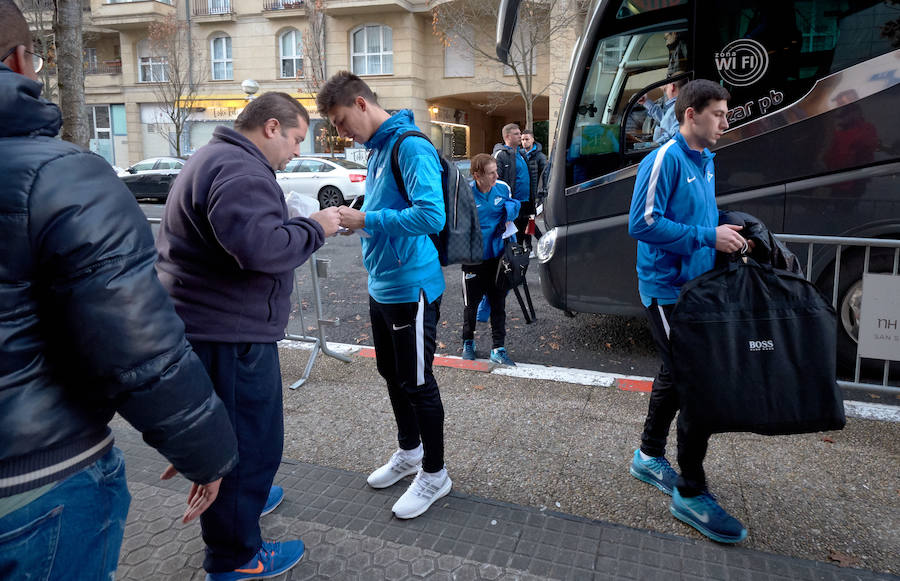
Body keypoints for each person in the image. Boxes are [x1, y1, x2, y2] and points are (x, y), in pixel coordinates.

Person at [0, 3, 239, 579]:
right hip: (37, 479)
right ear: (20, 61)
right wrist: (207, 454)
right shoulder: (60, 176)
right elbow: (137, 346)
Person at [156, 91, 341, 580]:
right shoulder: (241, 170)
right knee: (251, 443)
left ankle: (246, 498)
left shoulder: (213, 158)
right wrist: (315, 226)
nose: (298, 152)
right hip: (229, 335)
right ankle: (236, 556)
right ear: (272, 127)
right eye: (297, 139)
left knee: (234, 439)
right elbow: (261, 248)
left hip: (209, 326)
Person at [316, 71, 451, 519]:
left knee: (416, 380)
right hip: (383, 284)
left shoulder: (409, 145)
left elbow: (431, 215)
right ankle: (409, 453)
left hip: (411, 284)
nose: (340, 133)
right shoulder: (378, 150)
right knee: (391, 376)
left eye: (339, 122)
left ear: (360, 103)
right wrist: (360, 213)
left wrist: (367, 221)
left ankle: (435, 474)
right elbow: (389, 207)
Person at [627, 79, 750, 544]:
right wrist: (706, 237)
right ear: (690, 115)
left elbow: (697, 219)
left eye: (725, 113)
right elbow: (642, 223)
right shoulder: (664, 158)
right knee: (694, 379)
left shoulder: (706, 160)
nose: (725, 121)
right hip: (665, 291)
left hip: (694, 288)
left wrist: (725, 230)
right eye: (717, 113)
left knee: (675, 374)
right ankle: (690, 492)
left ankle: (647, 455)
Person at [461, 154, 521, 366]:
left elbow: (514, 204)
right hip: (474, 259)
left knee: (498, 304)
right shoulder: (465, 193)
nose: (497, 175)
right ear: (477, 175)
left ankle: (499, 348)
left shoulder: (502, 188)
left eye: (496, 171)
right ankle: (468, 342)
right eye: (491, 172)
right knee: (471, 305)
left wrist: (511, 210)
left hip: (498, 258)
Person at [480, 124, 530, 321]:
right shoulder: (501, 155)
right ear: (508, 136)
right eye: (517, 134)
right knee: (502, 266)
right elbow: (494, 187)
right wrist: (506, 209)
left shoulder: (520, 154)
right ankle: (486, 308)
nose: (521, 136)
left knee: (510, 263)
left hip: (519, 208)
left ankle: (492, 302)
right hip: (506, 218)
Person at [519, 129, 548, 254]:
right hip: (523, 194)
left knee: (529, 221)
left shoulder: (540, 156)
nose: (524, 142)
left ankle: (540, 242)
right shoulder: (519, 154)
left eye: (527, 139)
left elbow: (545, 176)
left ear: (532, 139)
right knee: (526, 221)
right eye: (522, 139)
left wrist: (541, 194)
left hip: (534, 195)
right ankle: (529, 247)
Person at [638, 78, 686, 145]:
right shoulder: (677, 107)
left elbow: (671, 138)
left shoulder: (678, 108)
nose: (665, 92)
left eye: (666, 89)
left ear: (672, 86)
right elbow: (665, 119)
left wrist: (648, 146)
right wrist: (645, 102)